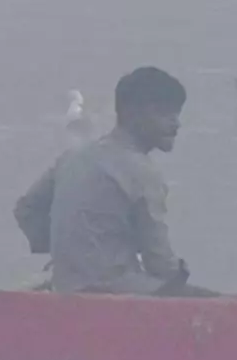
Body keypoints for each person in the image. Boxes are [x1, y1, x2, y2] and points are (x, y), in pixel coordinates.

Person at [16, 67, 198, 293]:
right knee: (206, 298)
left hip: (65, 286)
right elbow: (160, 263)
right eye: (164, 114)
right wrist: (181, 274)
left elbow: (27, 210)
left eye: (177, 114)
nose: (176, 124)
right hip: (117, 293)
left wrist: (68, 254)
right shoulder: (142, 171)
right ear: (132, 114)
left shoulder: (73, 157)